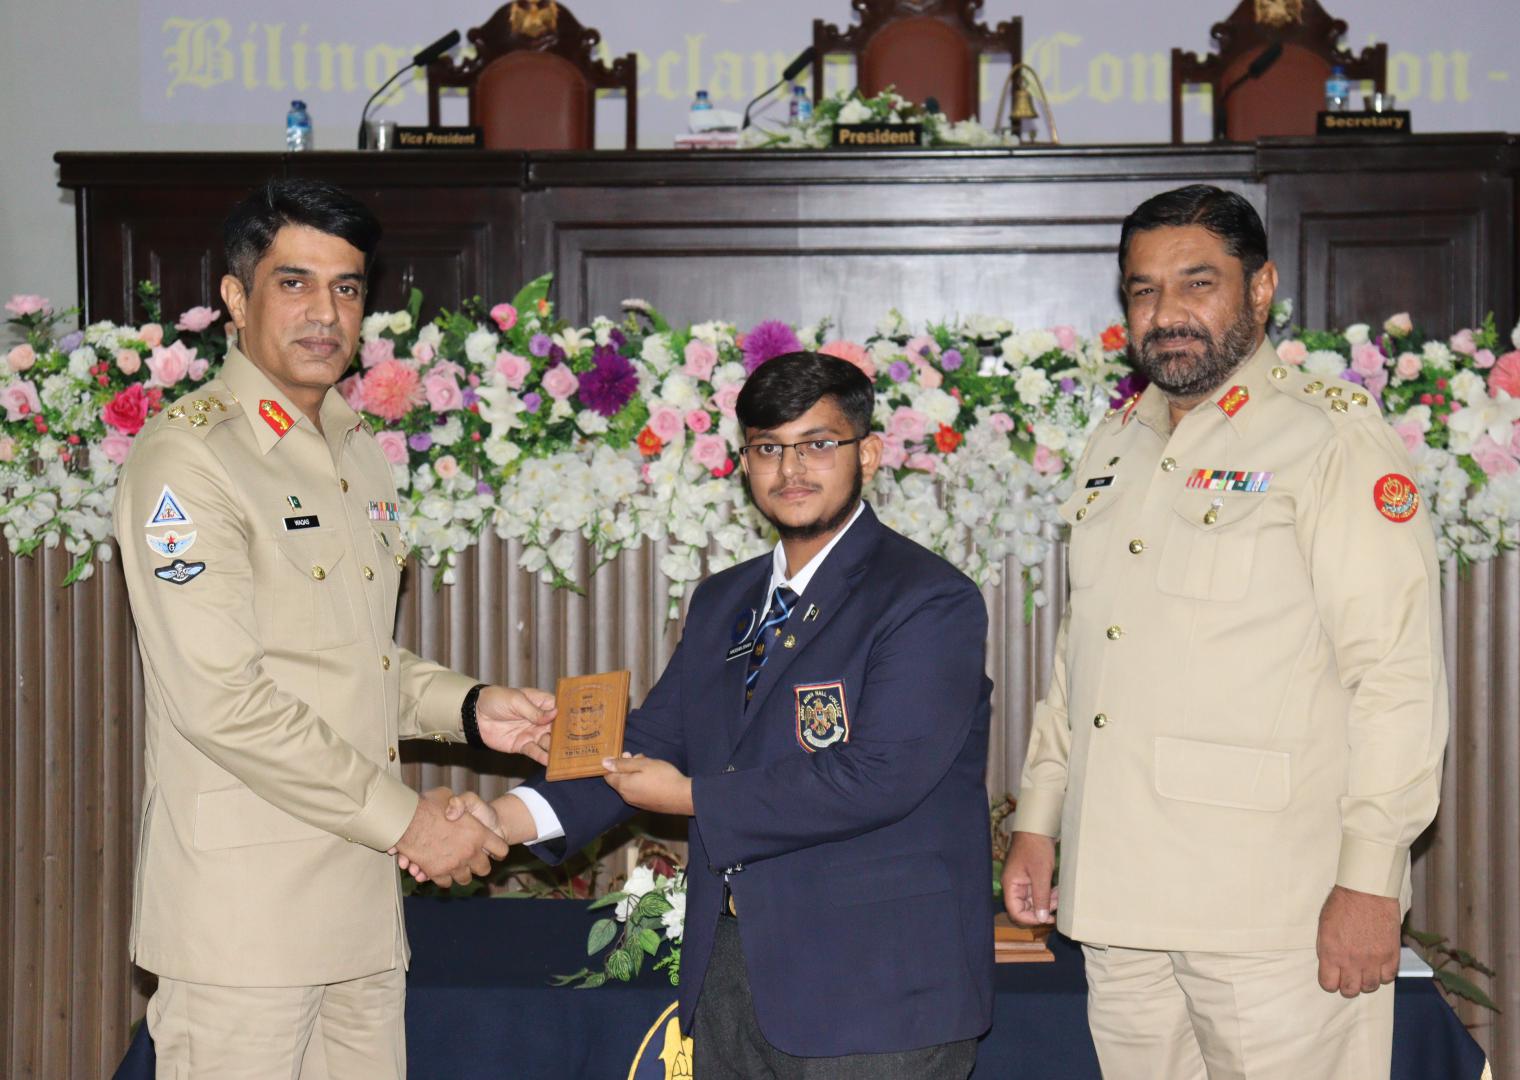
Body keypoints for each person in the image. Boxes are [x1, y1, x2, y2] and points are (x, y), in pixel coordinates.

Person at [422, 351, 995, 1078]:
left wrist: (691, 797)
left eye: (818, 444)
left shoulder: (926, 597)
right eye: (768, 448)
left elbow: (879, 776)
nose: (792, 469)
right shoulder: (726, 601)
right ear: (745, 463)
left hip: (877, 991)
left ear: (869, 453)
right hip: (732, 977)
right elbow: (653, 742)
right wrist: (499, 822)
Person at [1001, 185, 1449, 1080]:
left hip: (1272, 906)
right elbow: (1083, 654)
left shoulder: (1325, 436)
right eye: (1143, 290)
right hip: (1120, 894)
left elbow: (1395, 673)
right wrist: (1040, 818)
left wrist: (1370, 878)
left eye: (1196, 283)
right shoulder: (1115, 443)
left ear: (1261, 288)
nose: (1166, 313)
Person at [114, 177, 554, 1079]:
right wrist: (409, 823)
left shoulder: (355, 449)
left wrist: (473, 710)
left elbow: (351, 659)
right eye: (295, 283)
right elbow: (222, 699)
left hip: (359, 913)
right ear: (236, 297)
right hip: (245, 930)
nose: (325, 313)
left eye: (347, 287)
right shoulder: (189, 457)